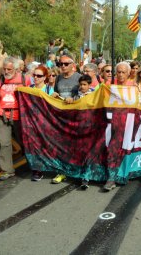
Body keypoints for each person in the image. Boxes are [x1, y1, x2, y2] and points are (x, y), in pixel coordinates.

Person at [0, 57, 30, 180]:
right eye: (4, 69)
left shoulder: (24, 79)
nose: (6, 71)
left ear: (17, 69)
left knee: (26, 141)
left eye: (9, 69)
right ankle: (7, 170)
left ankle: (34, 166)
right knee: (3, 142)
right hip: (2, 115)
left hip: (21, 116)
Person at [50, 54, 81, 184]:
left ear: (72, 65)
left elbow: (87, 95)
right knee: (62, 145)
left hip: (76, 116)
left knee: (76, 145)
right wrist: (55, 95)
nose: (62, 66)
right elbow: (56, 94)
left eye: (65, 64)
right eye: (60, 64)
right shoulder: (58, 78)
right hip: (62, 117)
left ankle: (78, 171)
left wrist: (74, 99)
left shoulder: (79, 77)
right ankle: (62, 171)